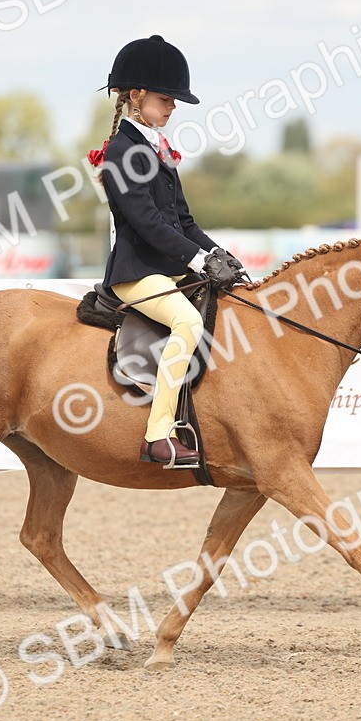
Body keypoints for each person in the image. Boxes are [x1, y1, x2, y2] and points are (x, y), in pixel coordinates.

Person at [88, 35, 245, 469]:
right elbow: (147, 223)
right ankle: (157, 435)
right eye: (165, 98)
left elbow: (184, 221)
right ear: (136, 95)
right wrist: (198, 261)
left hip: (169, 272)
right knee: (188, 322)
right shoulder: (121, 150)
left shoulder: (158, 148)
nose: (173, 107)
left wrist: (221, 256)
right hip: (136, 274)